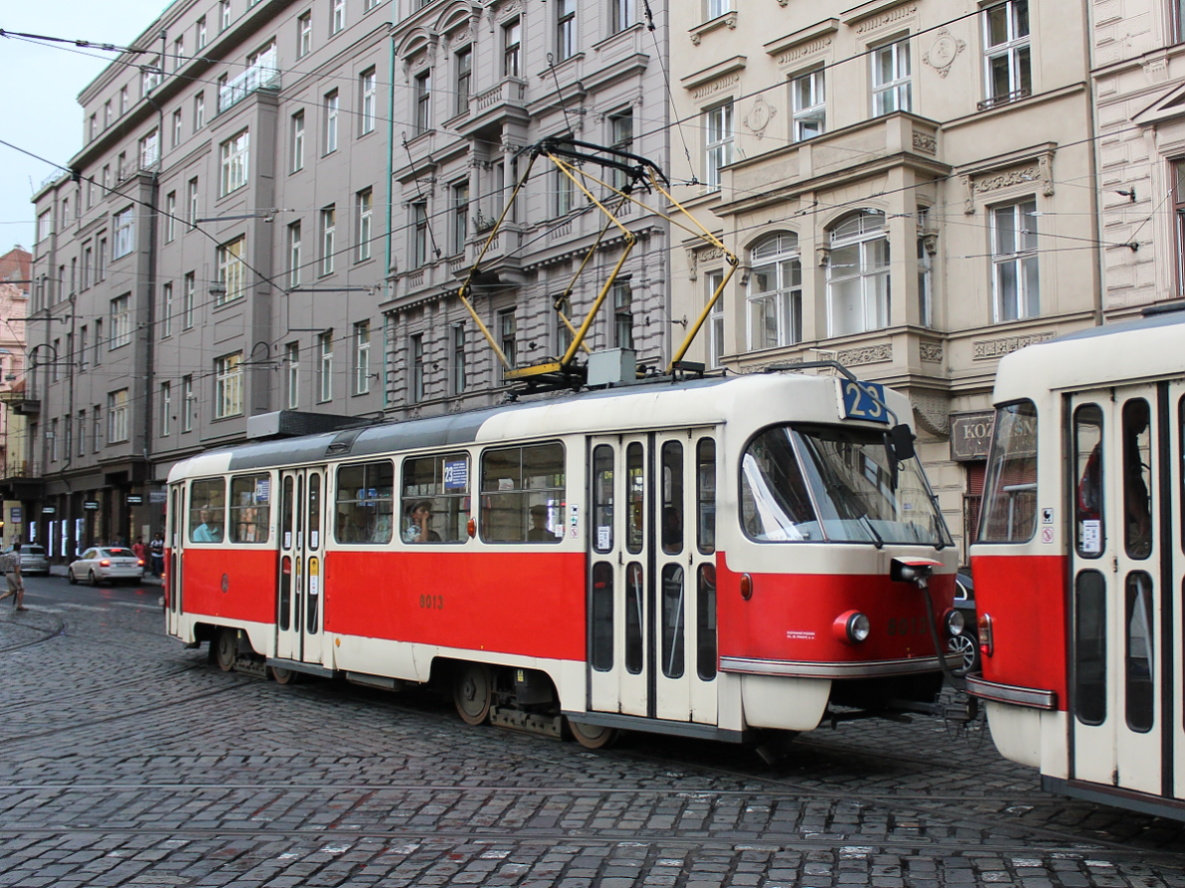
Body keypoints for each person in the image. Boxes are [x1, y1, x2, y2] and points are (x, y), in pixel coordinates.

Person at [0, 541, 27, 612]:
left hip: (7, 574)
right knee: (21, 589)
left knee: (12, 591)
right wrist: (18, 578)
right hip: (13, 574)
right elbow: (16, 567)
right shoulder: (16, 555)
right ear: (20, 548)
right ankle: (19, 606)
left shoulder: (9, 554)